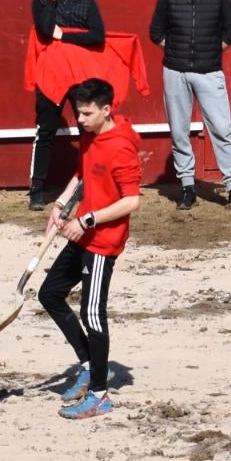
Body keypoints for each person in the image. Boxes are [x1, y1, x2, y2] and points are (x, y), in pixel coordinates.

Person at [39, 77, 142, 422]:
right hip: (81, 231)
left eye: (86, 113)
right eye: (78, 113)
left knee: (92, 314)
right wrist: (61, 205)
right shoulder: (91, 135)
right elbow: (83, 173)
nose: (79, 120)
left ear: (106, 110)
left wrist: (88, 221)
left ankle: (99, 394)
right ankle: (89, 364)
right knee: (50, 294)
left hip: (102, 241)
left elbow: (132, 201)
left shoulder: (122, 146)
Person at [148, 0, 231, 211]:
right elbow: (156, 33)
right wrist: (178, 51)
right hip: (175, 71)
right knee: (179, 132)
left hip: (209, 70)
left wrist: (211, 52)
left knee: (222, 129)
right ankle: (187, 186)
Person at [29, 0, 106, 208]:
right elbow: (44, 29)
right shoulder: (41, 1)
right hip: (51, 76)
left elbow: (97, 36)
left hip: (81, 77)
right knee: (46, 132)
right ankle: (37, 190)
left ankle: (91, 185)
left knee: (88, 131)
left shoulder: (87, 2)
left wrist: (65, 37)